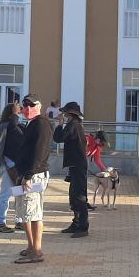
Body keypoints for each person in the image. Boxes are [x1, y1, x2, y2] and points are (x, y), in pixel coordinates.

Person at [13, 95, 51, 263]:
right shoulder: (33, 124)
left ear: (39, 106)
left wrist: (28, 175)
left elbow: (39, 152)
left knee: (33, 213)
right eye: (25, 105)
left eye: (31, 105)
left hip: (34, 175)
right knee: (24, 214)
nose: (27, 108)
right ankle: (31, 247)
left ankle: (36, 251)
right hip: (27, 173)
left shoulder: (41, 124)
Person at [54, 102, 89, 238]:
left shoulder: (73, 125)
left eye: (66, 113)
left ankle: (83, 226)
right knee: (74, 195)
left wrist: (59, 124)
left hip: (77, 164)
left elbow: (58, 138)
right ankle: (76, 223)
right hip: (76, 164)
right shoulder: (76, 125)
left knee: (79, 195)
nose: (64, 115)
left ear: (71, 114)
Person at [0, 101, 23, 233]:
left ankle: (19, 221)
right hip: (9, 164)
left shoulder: (16, 125)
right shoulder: (4, 125)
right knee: (5, 195)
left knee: (19, 194)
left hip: (17, 164)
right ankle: (0, 223)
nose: (19, 112)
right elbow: (12, 128)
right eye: (17, 111)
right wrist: (15, 114)